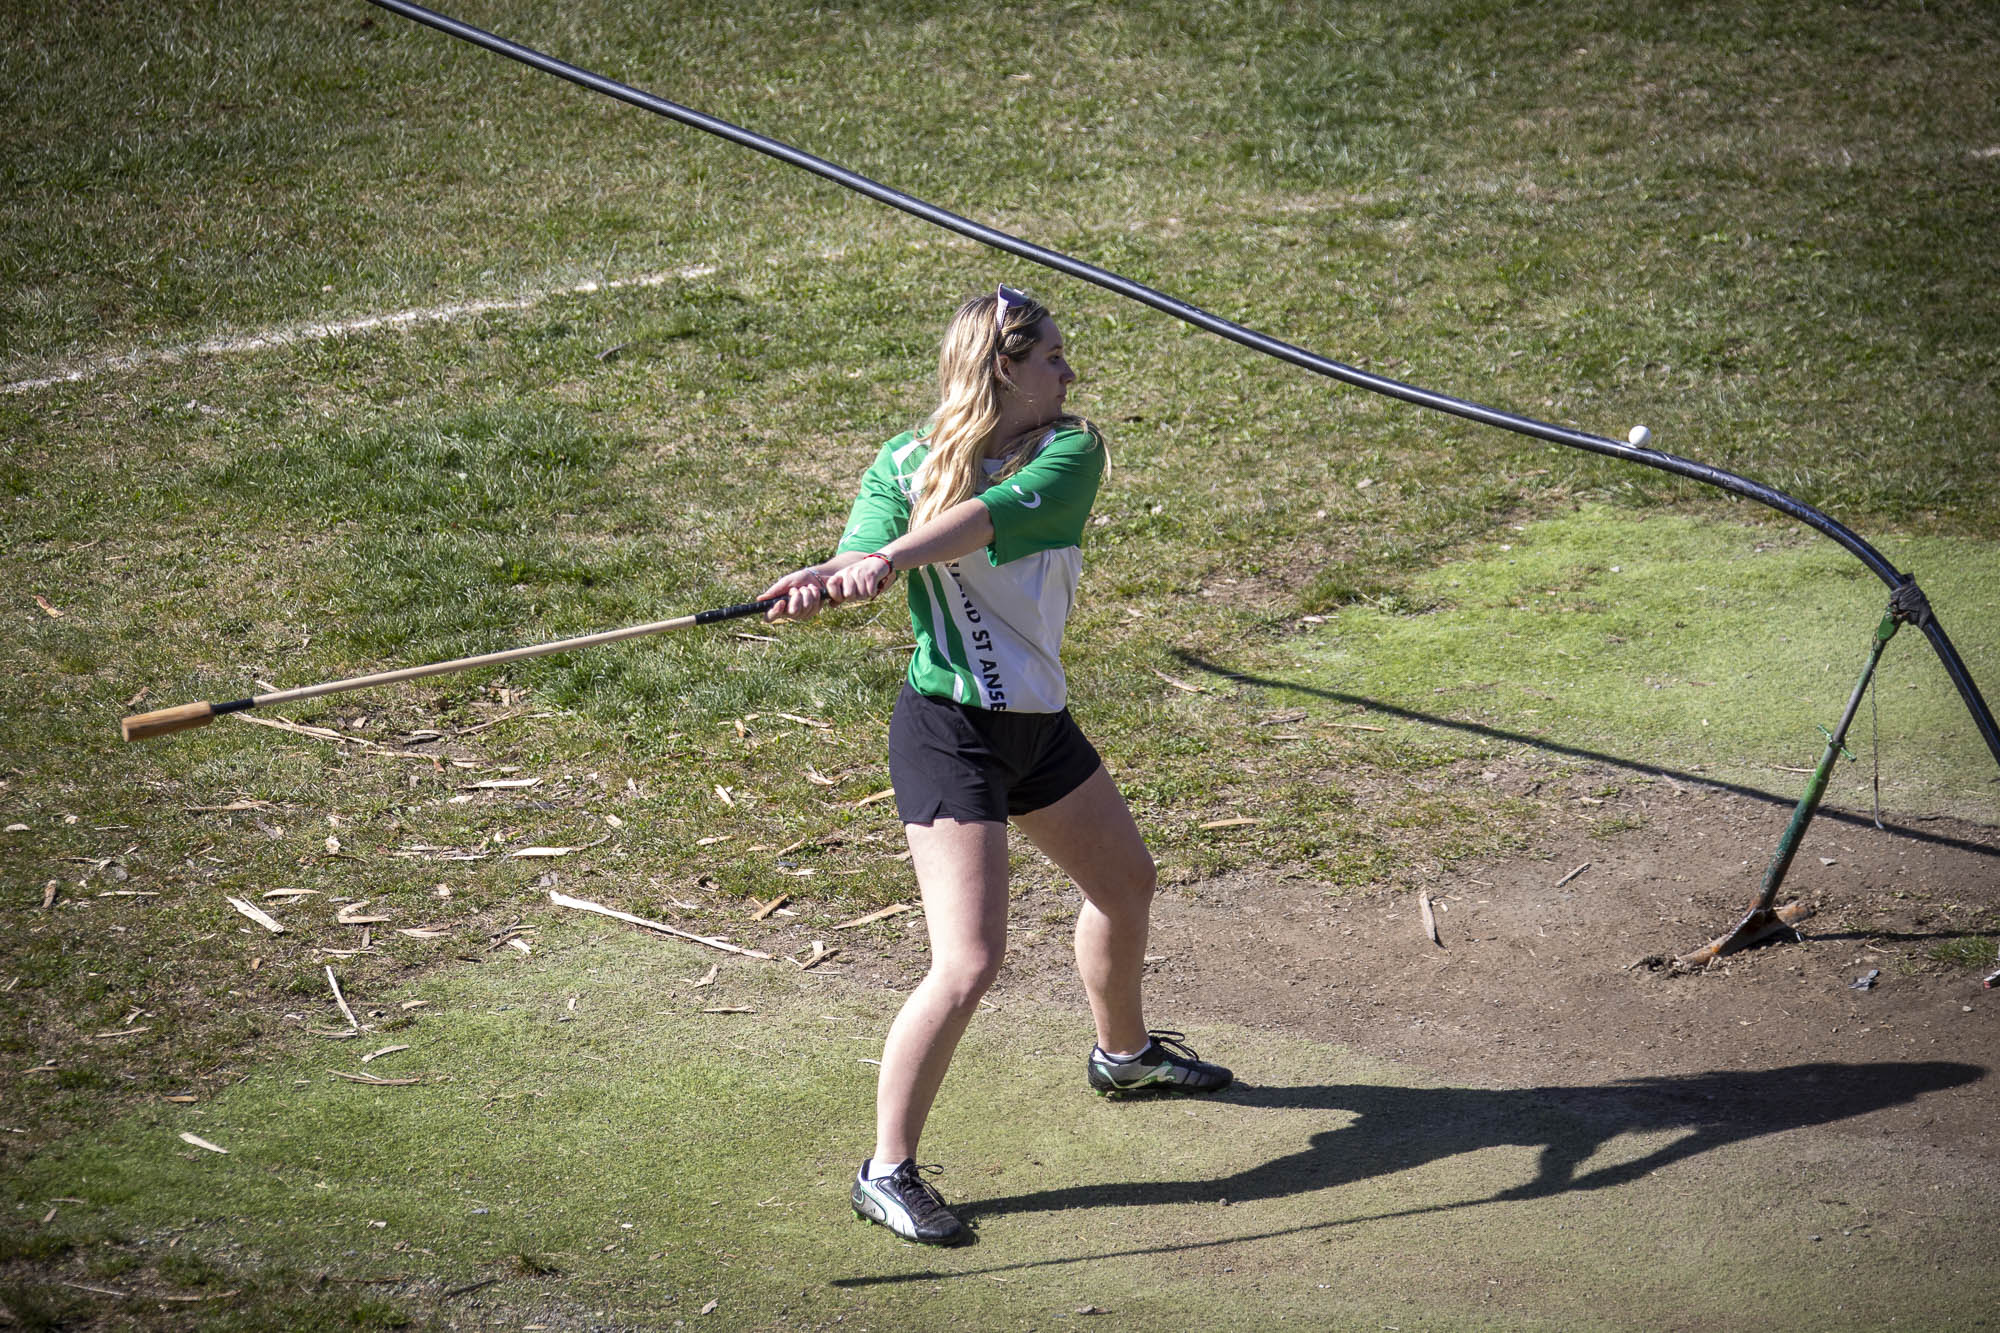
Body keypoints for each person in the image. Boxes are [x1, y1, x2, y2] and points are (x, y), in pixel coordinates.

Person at [758, 285, 1232, 1247]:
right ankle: (885, 1170)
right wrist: (829, 579)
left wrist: (889, 557)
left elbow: (986, 519)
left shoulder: (1072, 451)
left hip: (1036, 725)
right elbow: (863, 550)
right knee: (969, 959)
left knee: (1125, 882)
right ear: (1005, 368)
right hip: (951, 732)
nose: (1069, 372)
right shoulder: (901, 462)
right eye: (1053, 356)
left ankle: (1124, 1053)